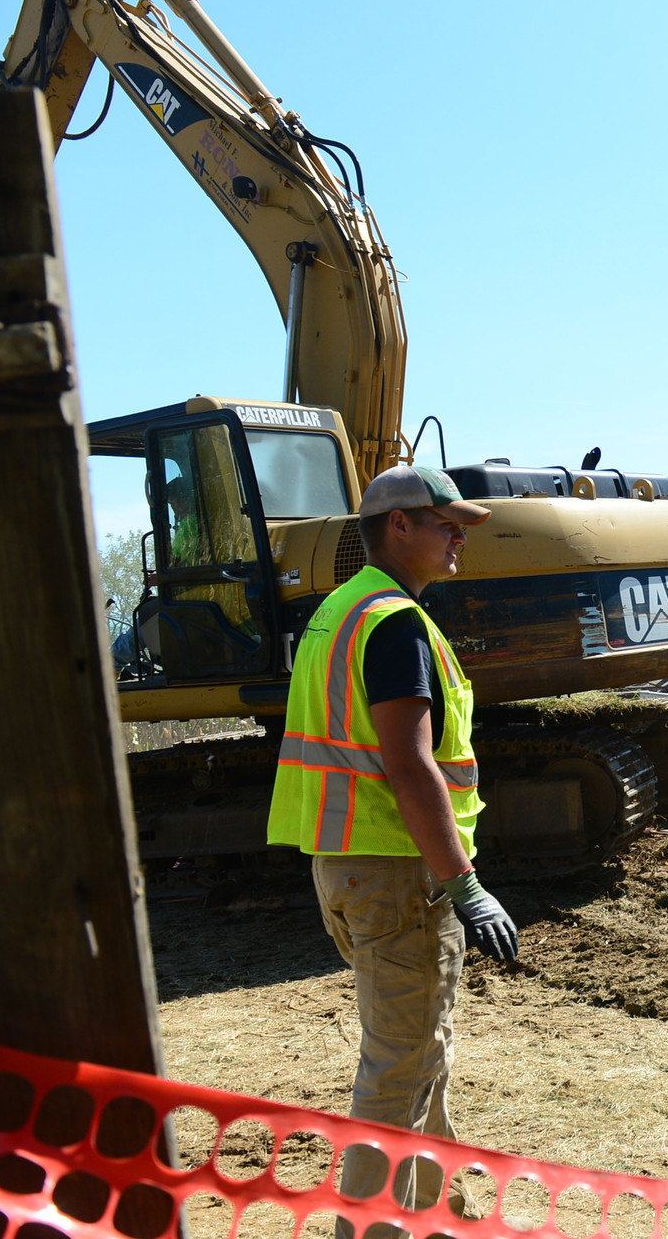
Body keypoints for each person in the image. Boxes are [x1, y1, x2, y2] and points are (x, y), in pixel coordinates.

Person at [265, 463, 518, 1225]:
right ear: (397, 525)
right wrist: (464, 881)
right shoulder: (394, 622)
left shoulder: (338, 610)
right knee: (397, 1068)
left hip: (350, 866)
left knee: (419, 1048)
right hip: (399, 873)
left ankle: (442, 1207)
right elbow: (409, 763)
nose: (458, 540)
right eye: (446, 524)